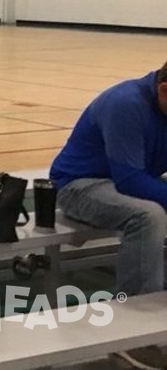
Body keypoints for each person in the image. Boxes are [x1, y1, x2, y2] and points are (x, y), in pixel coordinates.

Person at [51, 62, 167, 300]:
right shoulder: (126, 103)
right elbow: (130, 181)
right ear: (164, 90)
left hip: (130, 178)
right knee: (149, 216)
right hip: (79, 185)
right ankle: (138, 309)